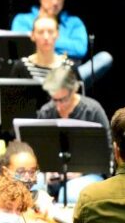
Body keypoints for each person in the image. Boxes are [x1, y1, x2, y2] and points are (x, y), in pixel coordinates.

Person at [36, 67, 110, 205]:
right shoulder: (46, 111)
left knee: (69, 195)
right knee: (29, 186)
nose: (58, 106)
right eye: (54, 99)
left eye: (62, 99)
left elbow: (107, 152)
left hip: (88, 173)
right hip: (53, 174)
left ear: (74, 90)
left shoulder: (92, 111)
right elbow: (39, 151)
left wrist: (79, 172)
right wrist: (48, 170)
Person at [10, 0, 112, 86]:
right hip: (33, 72)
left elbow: (80, 49)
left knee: (105, 58)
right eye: (41, 32)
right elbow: (21, 44)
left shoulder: (74, 22)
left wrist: (45, 40)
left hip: (67, 74)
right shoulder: (22, 19)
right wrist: (64, 43)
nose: (55, 2)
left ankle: (66, 86)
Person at [9, 13, 76, 83]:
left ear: (57, 34)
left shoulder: (68, 67)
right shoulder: (22, 66)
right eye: (41, 32)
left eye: (50, 32)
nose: (46, 37)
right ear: (32, 35)